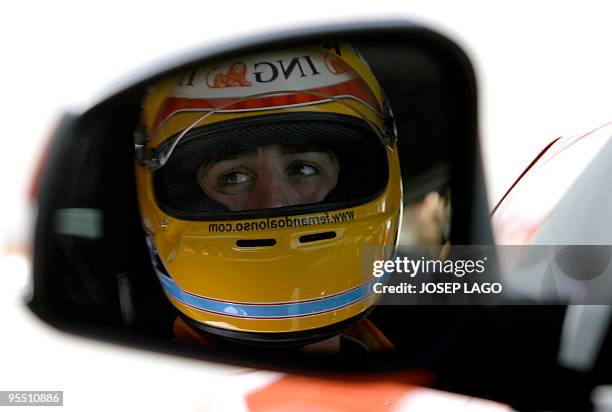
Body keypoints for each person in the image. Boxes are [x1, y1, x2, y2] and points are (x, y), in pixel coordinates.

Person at [134, 43, 402, 354]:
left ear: (350, 179)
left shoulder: (418, 334)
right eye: (233, 177)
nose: (276, 202)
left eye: (303, 169)